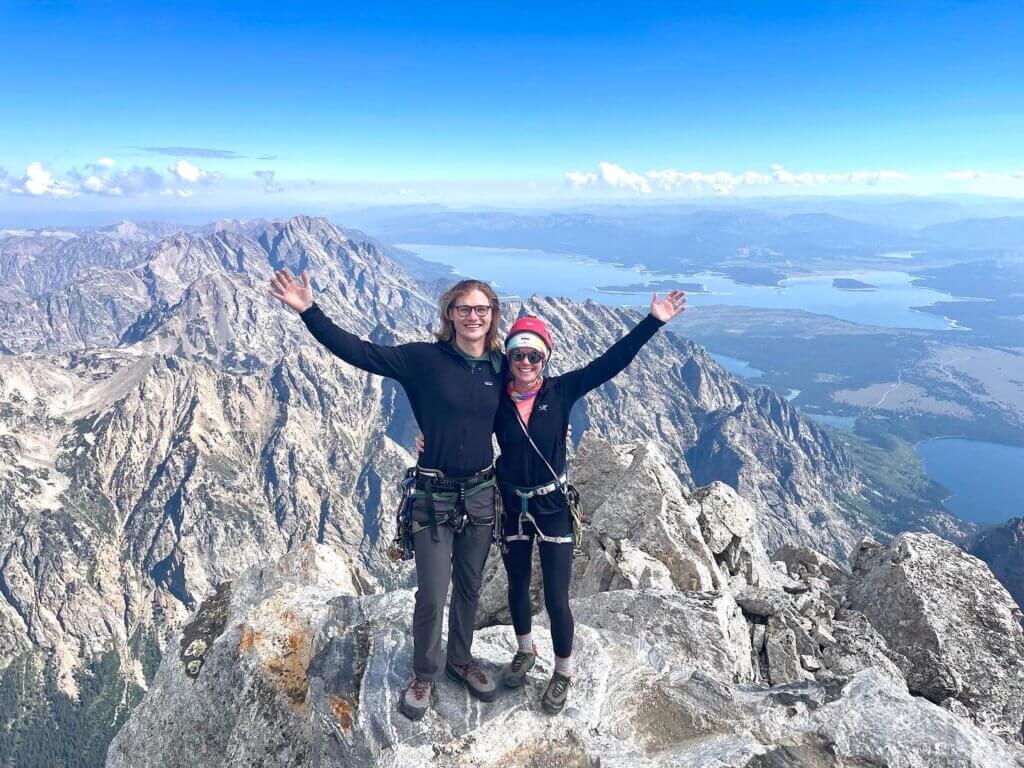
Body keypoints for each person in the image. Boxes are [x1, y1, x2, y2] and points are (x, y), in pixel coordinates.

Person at [418, 290, 687, 715]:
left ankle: (563, 672)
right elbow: (459, 418)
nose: (525, 364)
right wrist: (429, 439)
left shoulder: (561, 392)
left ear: (546, 360)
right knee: (518, 586)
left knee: (557, 599)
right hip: (512, 505)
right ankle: (525, 651)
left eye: (534, 358)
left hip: (553, 507)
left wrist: (653, 321)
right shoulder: (497, 397)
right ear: (508, 358)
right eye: (518, 356)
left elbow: (611, 362)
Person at [268, 269, 506, 721]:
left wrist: (556, 433)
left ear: (492, 316)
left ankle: (461, 659)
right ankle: (423, 672)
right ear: (450, 315)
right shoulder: (422, 360)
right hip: (434, 494)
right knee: (433, 592)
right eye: (464, 309)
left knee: (471, 587)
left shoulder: (502, 367)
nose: (473, 316)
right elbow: (359, 352)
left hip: (480, 493)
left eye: (482, 309)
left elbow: (531, 407)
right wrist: (308, 311)